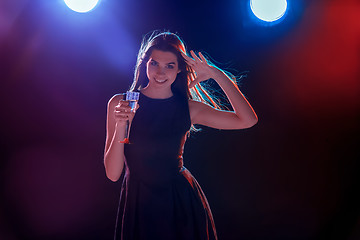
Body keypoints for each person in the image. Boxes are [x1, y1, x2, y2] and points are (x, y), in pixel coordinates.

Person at [104, 31, 258, 240]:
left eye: (170, 66)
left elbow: (247, 120)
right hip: (138, 202)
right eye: (154, 63)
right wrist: (122, 123)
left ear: (179, 70)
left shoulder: (188, 108)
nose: (160, 72)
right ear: (144, 64)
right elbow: (113, 174)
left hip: (181, 203)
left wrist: (216, 74)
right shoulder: (121, 103)